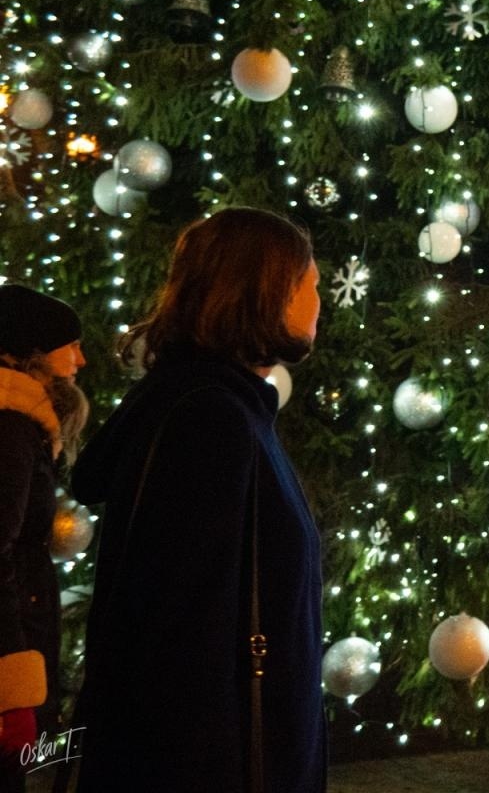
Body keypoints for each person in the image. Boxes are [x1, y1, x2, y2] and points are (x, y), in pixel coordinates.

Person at [71, 208, 326, 793]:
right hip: (218, 764)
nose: (319, 304)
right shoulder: (210, 419)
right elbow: (181, 634)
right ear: (266, 292)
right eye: (310, 285)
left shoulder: (221, 408)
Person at [0, 288, 91, 793]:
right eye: (69, 346)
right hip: (10, 649)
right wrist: (11, 680)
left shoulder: (24, 422)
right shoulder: (11, 425)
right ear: (30, 349)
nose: (80, 359)